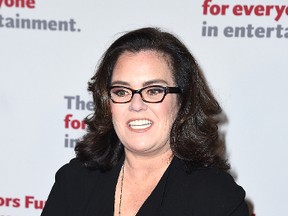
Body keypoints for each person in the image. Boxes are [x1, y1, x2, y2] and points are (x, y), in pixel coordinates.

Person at [41, 27, 249, 216]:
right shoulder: (74, 181)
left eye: (154, 90)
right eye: (122, 91)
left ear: (183, 101)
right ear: (107, 102)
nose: (136, 104)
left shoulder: (217, 198)